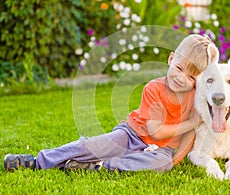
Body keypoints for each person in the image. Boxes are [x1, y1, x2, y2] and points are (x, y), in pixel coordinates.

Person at [4, 34, 214, 172]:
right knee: (91, 145)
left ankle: (99, 166)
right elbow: (156, 131)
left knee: (161, 163)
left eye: (191, 77)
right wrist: (192, 122)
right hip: (132, 135)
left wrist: (175, 159)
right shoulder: (154, 88)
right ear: (170, 59)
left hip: (161, 150)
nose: (181, 78)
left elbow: (189, 135)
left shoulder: (196, 96)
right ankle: (36, 161)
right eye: (179, 68)